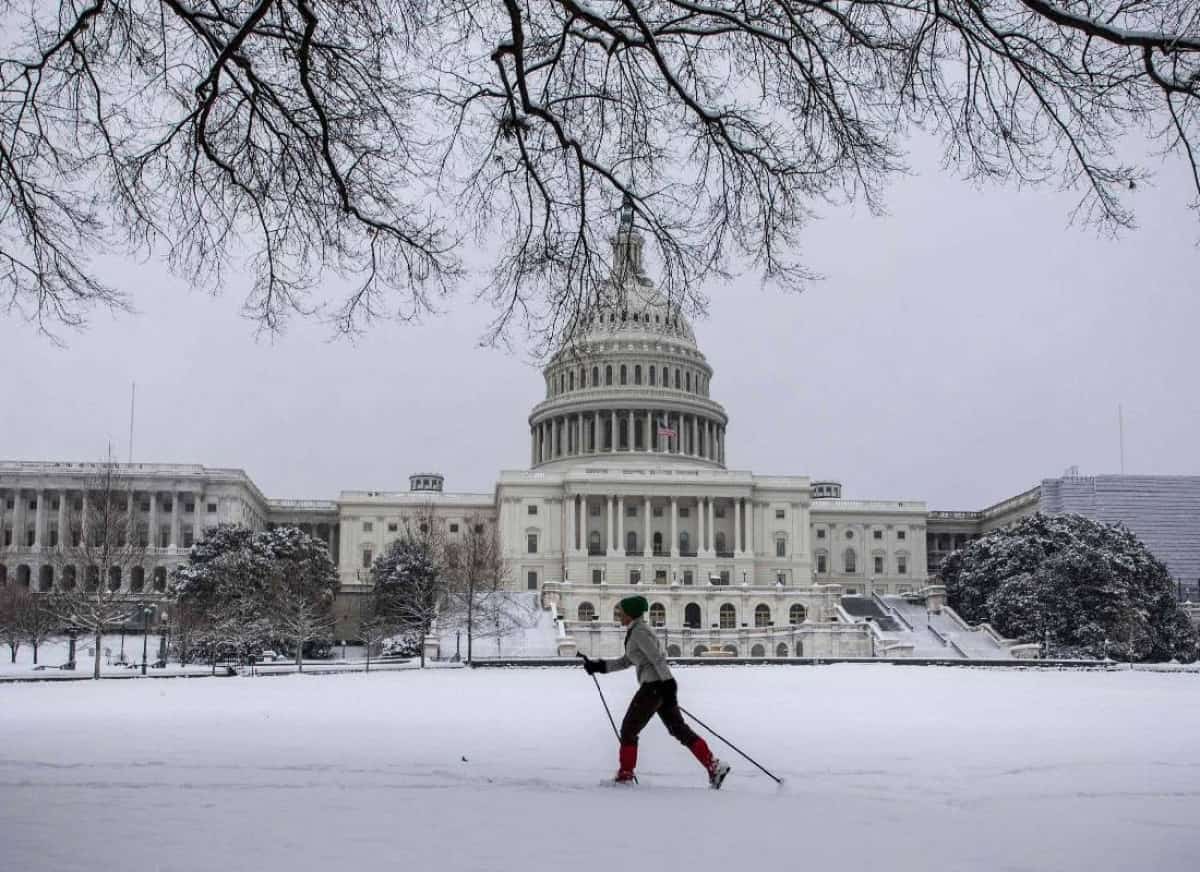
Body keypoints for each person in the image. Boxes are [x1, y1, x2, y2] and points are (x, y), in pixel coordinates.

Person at [581, 595, 731, 788]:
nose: (618, 615)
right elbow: (627, 661)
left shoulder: (639, 632)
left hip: (654, 687)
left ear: (630, 613)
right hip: (659, 686)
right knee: (678, 729)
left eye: (621, 612)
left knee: (629, 729)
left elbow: (657, 658)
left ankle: (625, 776)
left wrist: (668, 684)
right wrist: (599, 666)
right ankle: (714, 766)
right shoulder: (636, 631)